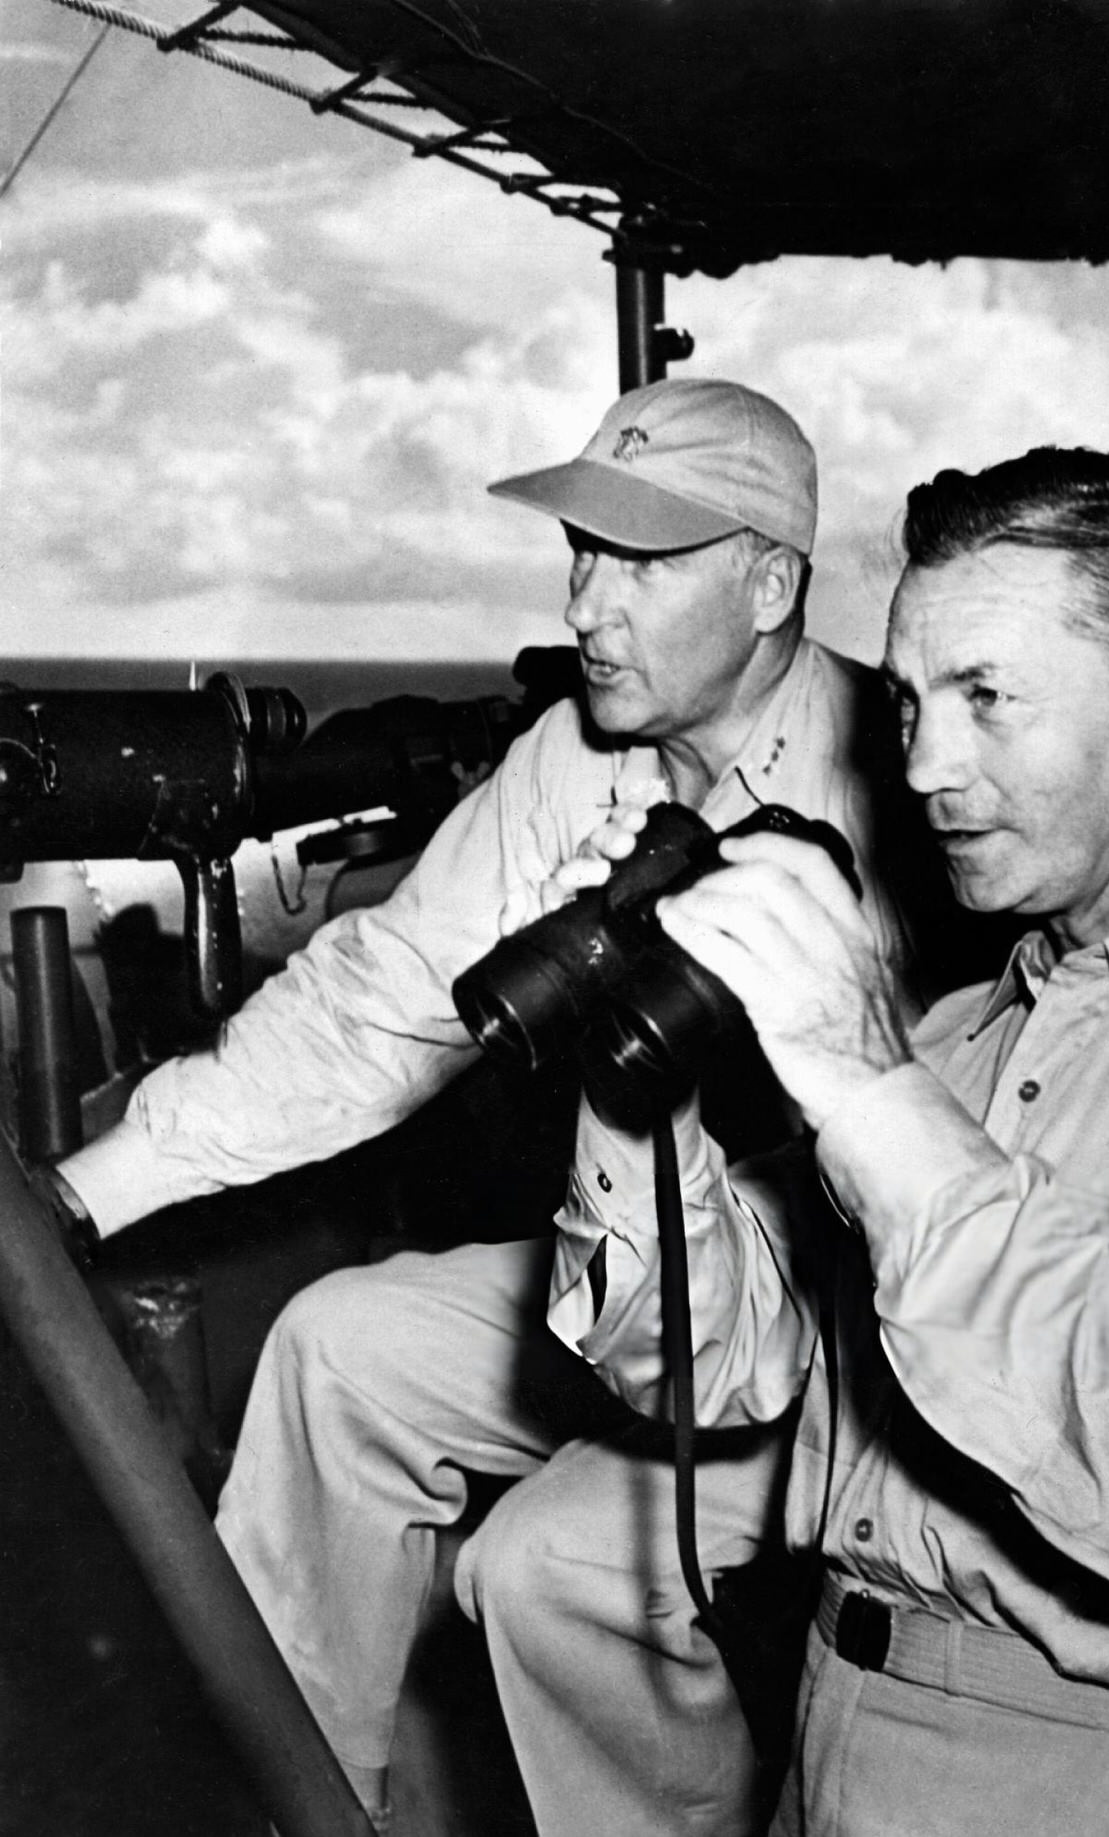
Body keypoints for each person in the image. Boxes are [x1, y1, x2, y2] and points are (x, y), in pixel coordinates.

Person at [53, 377, 912, 1835]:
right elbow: (379, 1001)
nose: (587, 602)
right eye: (582, 550)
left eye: (640, 563)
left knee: (546, 1560)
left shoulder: (899, 776)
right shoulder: (578, 755)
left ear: (771, 582)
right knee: (337, 1351)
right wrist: (87, 1190)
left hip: (856, 1322)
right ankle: (302, 1800)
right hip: (639, 1244)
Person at [512, 447, 1109, 1835]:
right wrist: (634, 1081)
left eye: (988, 698)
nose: (927, 763)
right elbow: (726, 1374)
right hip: (837, 1736)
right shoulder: (962, 1035)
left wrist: (871, 1087)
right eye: (908, 703)